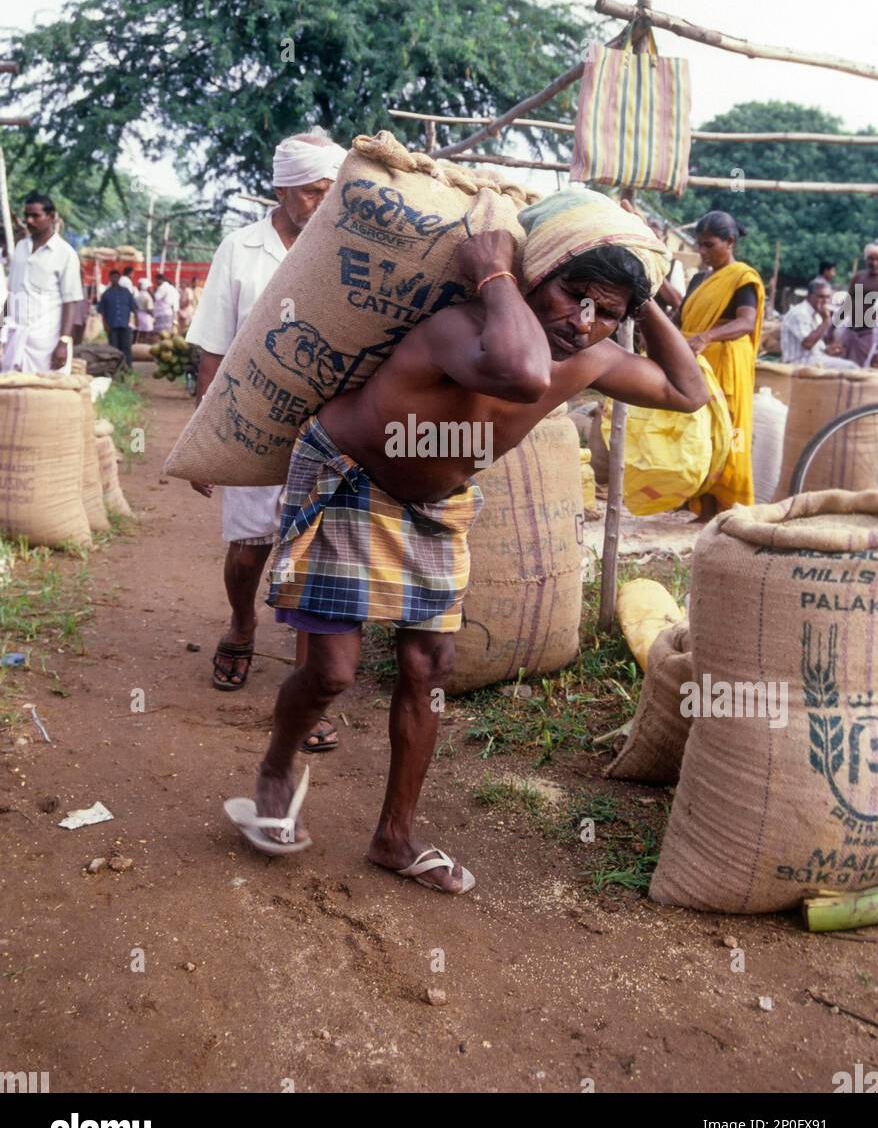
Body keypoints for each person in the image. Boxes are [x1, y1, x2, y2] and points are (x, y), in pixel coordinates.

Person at [226, 190, 707, 892]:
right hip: (351, 478)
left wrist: (647, 295)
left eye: (605, 311)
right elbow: (522, 373)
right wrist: (495, 273)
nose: (584, 321)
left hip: (436, 504)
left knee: (430, 667)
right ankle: (276, 767)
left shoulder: (593, 354)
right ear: (533, 273)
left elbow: (688, 392)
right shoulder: (460, 326)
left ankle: (395, 838)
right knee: (332, 671)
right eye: (573, 294)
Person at [187, 131, 347, 754]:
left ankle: (307, 690)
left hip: (328, 424)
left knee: (315, 552)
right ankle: (242, 621)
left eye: (332, 189)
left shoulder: (345, 247)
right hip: (254, 418)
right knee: (251, 546)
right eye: (313, 190)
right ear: (282, 188)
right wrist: (208, 434)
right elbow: (212, 343)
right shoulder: (241, 249)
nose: (323, 200)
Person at [678, 211, 764, 521]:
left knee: (728, 433)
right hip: (698, 364)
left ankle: (726, 509)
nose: (701, 252)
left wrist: (707, 335)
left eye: (708, 245)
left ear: (729, 242)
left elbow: (745, 322)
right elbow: (681, 317)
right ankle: (701, 507)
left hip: (727, 364)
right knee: (699, 433)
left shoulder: (742, 278)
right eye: (699, 245)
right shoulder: (700, 279)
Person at [1, 191, 82, 373]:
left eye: (35, 216)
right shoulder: (21, 248)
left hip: (47, 344)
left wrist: (64, 342)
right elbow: (12, 294)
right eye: (27, 215)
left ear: (51, 217)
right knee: (11, 394)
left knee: (45, 395)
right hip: (16, 339)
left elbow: (71, 302)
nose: (29, 221)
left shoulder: (65, 254)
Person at [780, 279, 857, 369]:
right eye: (821, 297)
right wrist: (826, 321)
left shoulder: (816, 314)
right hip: (798, 362)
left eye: (828, 297)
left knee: (850, 364)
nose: (825, 301)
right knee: (851, 367)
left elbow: (815, 346)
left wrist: (827, 349)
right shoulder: (799, 313)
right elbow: (807, 344)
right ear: (809, 296)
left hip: (813, 359)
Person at [838, 243, 878, 368]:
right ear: (866, 260)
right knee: (842, 366)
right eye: (871, 259)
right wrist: (832, 328)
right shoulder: (859, 277)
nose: (874, 263)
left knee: (861, 369)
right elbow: (847, 302)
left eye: (877, 259)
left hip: (869, 333)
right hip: (850, 330)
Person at [98, 269, 137, 368]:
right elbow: (102, 312)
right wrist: (105, 325)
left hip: (124, 324)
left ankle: (128, 368)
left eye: (116, 277)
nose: (115, 278)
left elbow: (133, 307)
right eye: (113, 277)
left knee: (126, 347)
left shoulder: (126, 292)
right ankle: (115, 369)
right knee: (114, 348)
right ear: (110, 278)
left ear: (119, 278)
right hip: (112, 325)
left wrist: (137, 319)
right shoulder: (106, 294)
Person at [134, 278, 155, 342]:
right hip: (146, 316)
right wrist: (153, 316)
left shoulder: (138, 295)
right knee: (147, 334)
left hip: (139, 315)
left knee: (141, 334)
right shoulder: (147, 296)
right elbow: (149, 309)